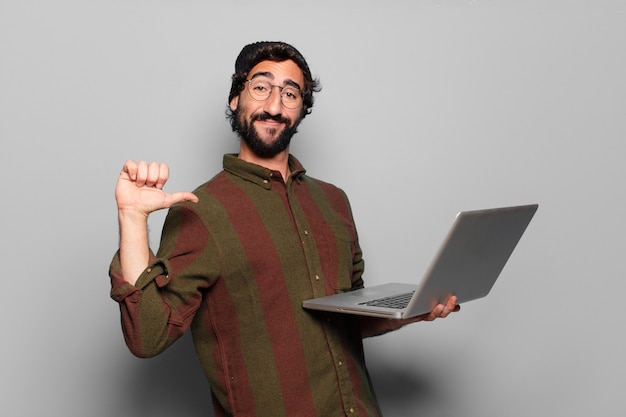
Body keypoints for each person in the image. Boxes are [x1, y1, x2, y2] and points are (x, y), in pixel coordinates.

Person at [109, 41, 459, 417]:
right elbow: (146, 336)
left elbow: (348, 320)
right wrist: (132, 216)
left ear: (302, 110)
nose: (274, 106)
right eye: (261, 87)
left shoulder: (334, 201)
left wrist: (410, 311)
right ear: (234, 99)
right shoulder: (202, 211)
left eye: (290, 94)